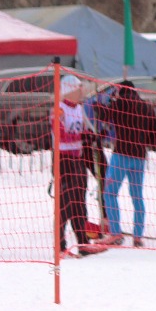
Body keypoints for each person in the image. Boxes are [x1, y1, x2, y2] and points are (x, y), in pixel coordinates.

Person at [98, 80, 156, 248]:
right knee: (137, 196)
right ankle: (138, 236)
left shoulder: (119, 104)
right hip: (139, 156)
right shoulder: (146, 107)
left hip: (121, 154)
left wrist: (109, 100)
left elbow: (102, 117)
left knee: (110, 193)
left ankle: (115, 233)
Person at [57, 74, 105, 257]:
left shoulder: (78, 108)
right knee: (65, 204)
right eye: (79, 89)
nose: (82, 92)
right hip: (63, 160)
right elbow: (60, 133)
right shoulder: (59, 108)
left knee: (79, 203)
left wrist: (90, 135)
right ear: (69, 90)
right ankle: (60, 246)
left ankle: (83, 243)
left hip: (77, 159)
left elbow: (81, 129)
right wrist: (81, 137)